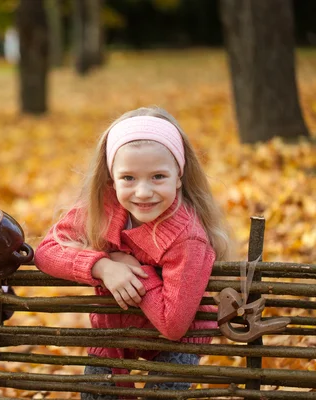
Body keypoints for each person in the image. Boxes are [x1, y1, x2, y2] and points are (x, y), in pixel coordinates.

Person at [34, 106, 232, 399]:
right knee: (96, 392)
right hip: (115, 326)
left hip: (178, 337)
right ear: (111, 179)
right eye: (128, 178)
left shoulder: (187, 237)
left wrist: (135, 271)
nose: (142, 192)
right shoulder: (103, 208)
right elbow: (46, 252)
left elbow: (173, 324)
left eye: (158, 177)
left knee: (164, 393)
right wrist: (104, 266)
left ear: (179, 176)